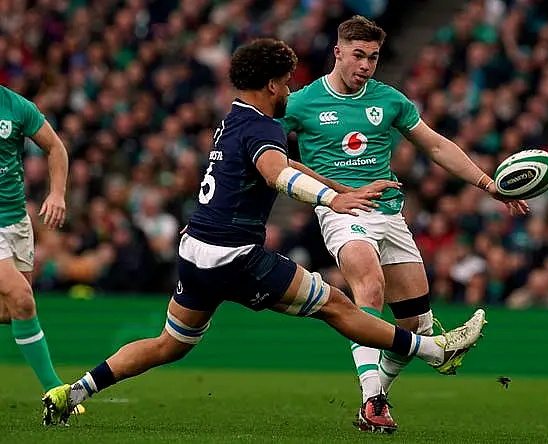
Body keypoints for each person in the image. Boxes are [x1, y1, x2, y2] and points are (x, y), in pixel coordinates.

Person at [42, 38, 486, 427]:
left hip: (195, 251)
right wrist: (332, 201)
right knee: (337, 305)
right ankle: (434, 350)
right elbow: (278, 175)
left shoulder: (234, 120)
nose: (290, 90)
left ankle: (74, 392)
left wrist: (341, 189)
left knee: (170, 344)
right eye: (287, 82)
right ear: (272, 84)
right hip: (235, 257)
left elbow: (282, 165)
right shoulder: (264, 125)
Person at [278, 16, 528, 432]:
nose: (365, 65)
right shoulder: (302, 103)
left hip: (390, 214)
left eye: (373, 58)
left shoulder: (389, 100)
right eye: (358, 55)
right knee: (369, 288)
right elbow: (270, 154)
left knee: (412, 323)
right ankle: (373, 399)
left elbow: (435, 144)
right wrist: (330, 188)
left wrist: (487, 184)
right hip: (344, 213)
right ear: (338, 52)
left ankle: (377, 398)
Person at [0, 86, 85, 413]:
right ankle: (56, 391)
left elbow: (55, 148)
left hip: (17, 222)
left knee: (12, 312)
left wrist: (57, 194)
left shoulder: (18, 106)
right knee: (22, 299)